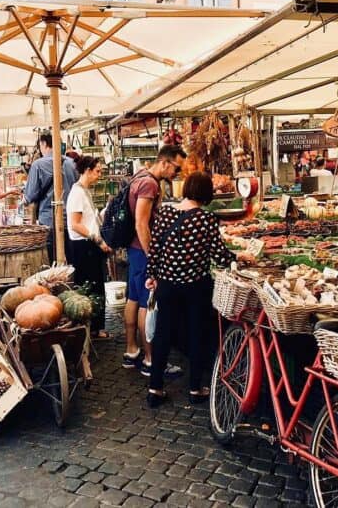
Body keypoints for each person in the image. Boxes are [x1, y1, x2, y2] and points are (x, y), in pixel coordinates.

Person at [144, 172, 251, 408]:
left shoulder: (165, 213)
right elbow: (219, 255)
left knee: (163, 334)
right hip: (195, 286)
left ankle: (155, 389)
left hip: (167, 284)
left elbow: (154, 249)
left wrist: (151, 276)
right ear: (206, 194)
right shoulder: (205, 218)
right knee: (197, 334)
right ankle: (195, 388)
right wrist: (239, 257)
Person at [123, 144, 186, 378]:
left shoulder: (139, 175)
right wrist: (153, 256)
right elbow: (141, 223)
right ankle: (150, 360)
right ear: (165, 162)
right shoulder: (150, 183)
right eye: (176, 168)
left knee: (133, 297)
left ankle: (131, 352)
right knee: (144, 304)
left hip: (133, 248)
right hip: (141, 250)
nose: (176, 174)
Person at [66, 156, 111, 339]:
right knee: (90, 286)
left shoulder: (85, 191)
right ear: (87, 170)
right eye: (98, 171)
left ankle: (93, 327)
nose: (99, 175)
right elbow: (75, 224)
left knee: (96, 285)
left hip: (88, 244)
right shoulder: (77, 193)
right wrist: (97, 240)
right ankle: (92, 328)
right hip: (83, 246)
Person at [23, 131, 78, 263]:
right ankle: (75, 283)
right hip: (71, 219)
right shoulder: (73, 163)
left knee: (52, 263)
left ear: (43, 143)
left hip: (49, 220)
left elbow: (29, 196)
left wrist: (24, 199)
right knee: (72, 261)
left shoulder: (38, 165)